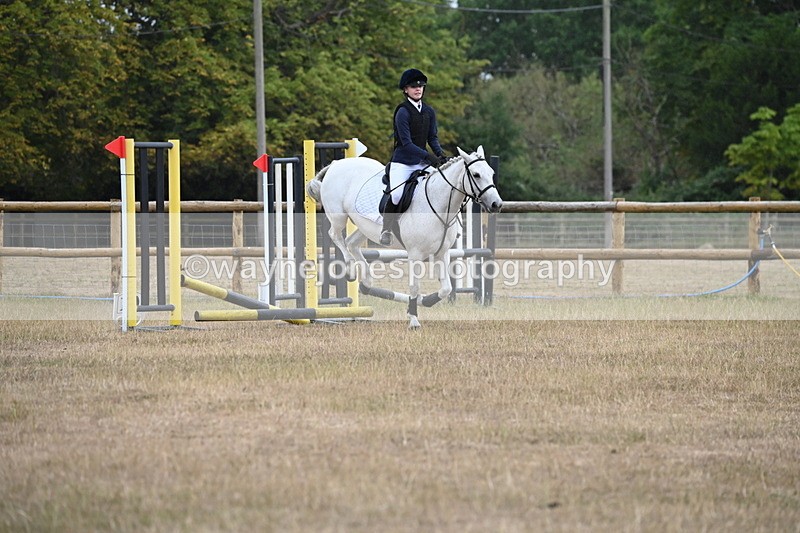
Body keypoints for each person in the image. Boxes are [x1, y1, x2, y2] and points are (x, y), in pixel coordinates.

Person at [380, 68, 447, 246]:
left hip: (421, 163)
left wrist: (440, 154)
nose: (418, 89)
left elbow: (432, 137)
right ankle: (386, 229)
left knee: (443, 186)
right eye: (413, 86)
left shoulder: (429, 111)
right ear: (406, 90)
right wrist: (428, 156)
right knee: (396, 195)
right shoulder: (402, 112)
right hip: (402, 162)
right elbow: (407, 143)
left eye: (421, 86)